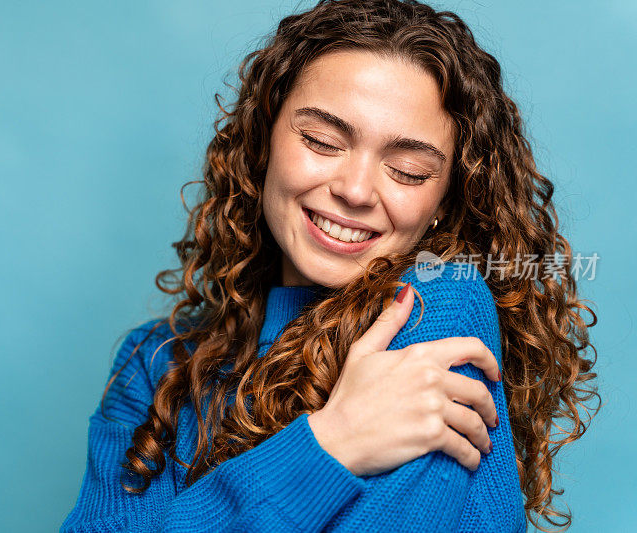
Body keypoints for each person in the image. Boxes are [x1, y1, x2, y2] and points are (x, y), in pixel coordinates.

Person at [60, 0, 600, 531]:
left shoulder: (439, 306)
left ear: (445, 203)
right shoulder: (153, 363)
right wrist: (330, 444)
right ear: (264, 138)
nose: (355, 190)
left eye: (409, 171)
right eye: (322, 141)